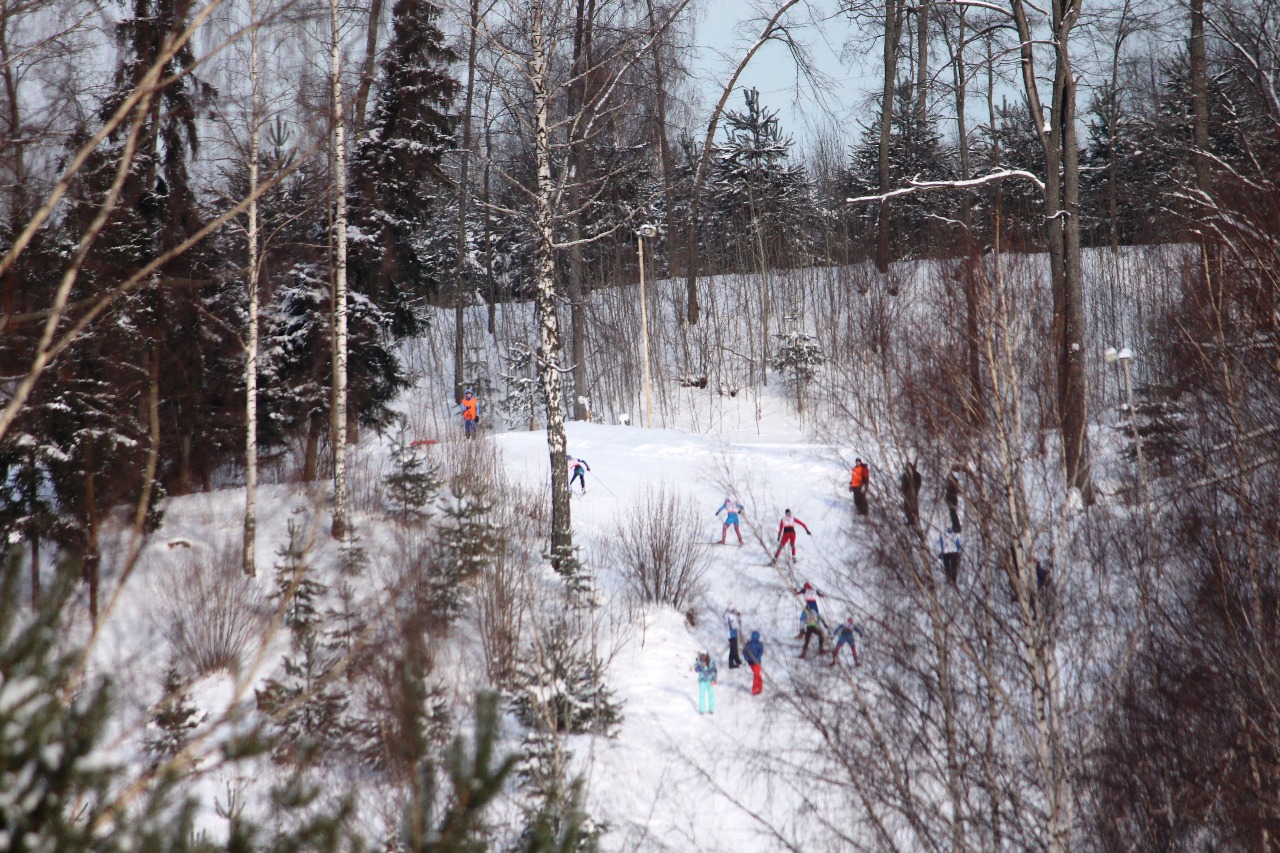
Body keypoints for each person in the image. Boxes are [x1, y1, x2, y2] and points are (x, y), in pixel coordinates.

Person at [743, 630, 765, 695]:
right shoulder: (752, 644)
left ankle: (759, 688)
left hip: (755, 662)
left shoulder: (749, 644)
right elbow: (745, 652)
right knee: (757, 675)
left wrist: (749, 658)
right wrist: (748, 658)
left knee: (757, 674)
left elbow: (760, 652)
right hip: (754, 662)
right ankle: (756, 689)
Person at [900, 461, 922, 526]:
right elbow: (903, 485)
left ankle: (916, 521)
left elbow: (919, 484)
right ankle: (910, 520)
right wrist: (902, 492)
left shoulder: (916, 474)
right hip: (906, 494)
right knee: (906, 507)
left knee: (914, 507)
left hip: (913, 494)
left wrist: (915, 491)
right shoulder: (904, 475)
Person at [723, 602, 743, 668]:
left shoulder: (732, 614)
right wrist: (738, 624)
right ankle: (731, 663)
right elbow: (734, 625)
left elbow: (738, 622)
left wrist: (738, 617)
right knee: (733, 648)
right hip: (731, 634)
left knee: (734, 648)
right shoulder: (729, 615)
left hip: (733, 633)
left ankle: (737, 660)